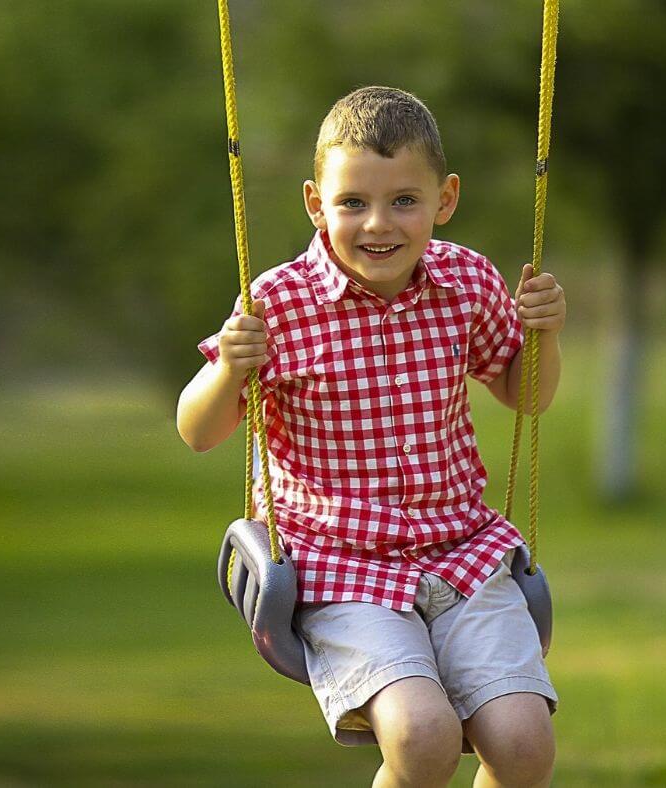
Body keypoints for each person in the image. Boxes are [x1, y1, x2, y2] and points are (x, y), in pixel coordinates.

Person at [178, 86, 567, 788]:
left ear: (445, 200)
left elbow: (525, 395)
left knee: (524, 746)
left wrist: (544, 336)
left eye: (404, 201)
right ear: (314, 202)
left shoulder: (467, 282)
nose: (377, 224)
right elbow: (198, 432)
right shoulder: (279, 301)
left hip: (462, 555)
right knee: (423, 739)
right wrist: (229, 369)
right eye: (353, 202)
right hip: (341, 566)